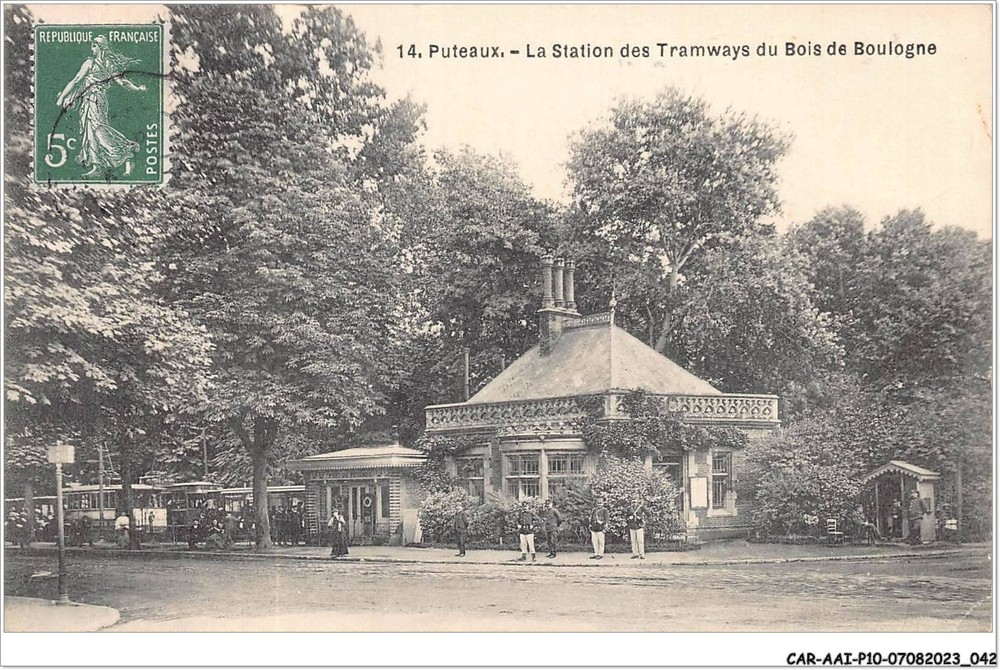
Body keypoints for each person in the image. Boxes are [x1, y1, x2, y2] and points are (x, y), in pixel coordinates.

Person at [55, 35, 146, 177]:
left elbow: (122, 82)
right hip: (88, 100)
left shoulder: (103, 64)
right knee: (90, 132)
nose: (92, 47)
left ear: (101, 47)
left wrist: (137, 89)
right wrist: (63, 97)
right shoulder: (91, 62)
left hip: (97, 100)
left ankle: (127, 151)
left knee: (98, 130)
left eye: (94, 45)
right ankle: (97, 166)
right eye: (92, 44)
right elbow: (77, 81)